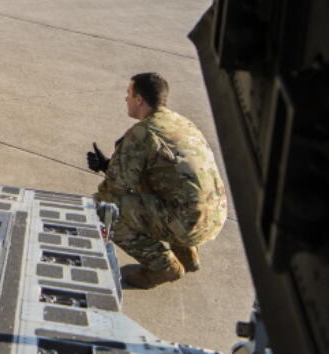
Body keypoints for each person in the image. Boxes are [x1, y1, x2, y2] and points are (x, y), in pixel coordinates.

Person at [86, 72, 228, 288]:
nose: (126, 99)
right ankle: (187, 255)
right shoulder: (181, 123)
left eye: (129, 94)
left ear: (139, 99)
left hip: (187, 222)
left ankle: (162, 266)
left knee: (103, 207)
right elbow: (167, 176)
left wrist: (110, 170)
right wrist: (108, 164)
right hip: (214, 218)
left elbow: (114, 187)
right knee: (163, 187)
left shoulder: (143, 133)